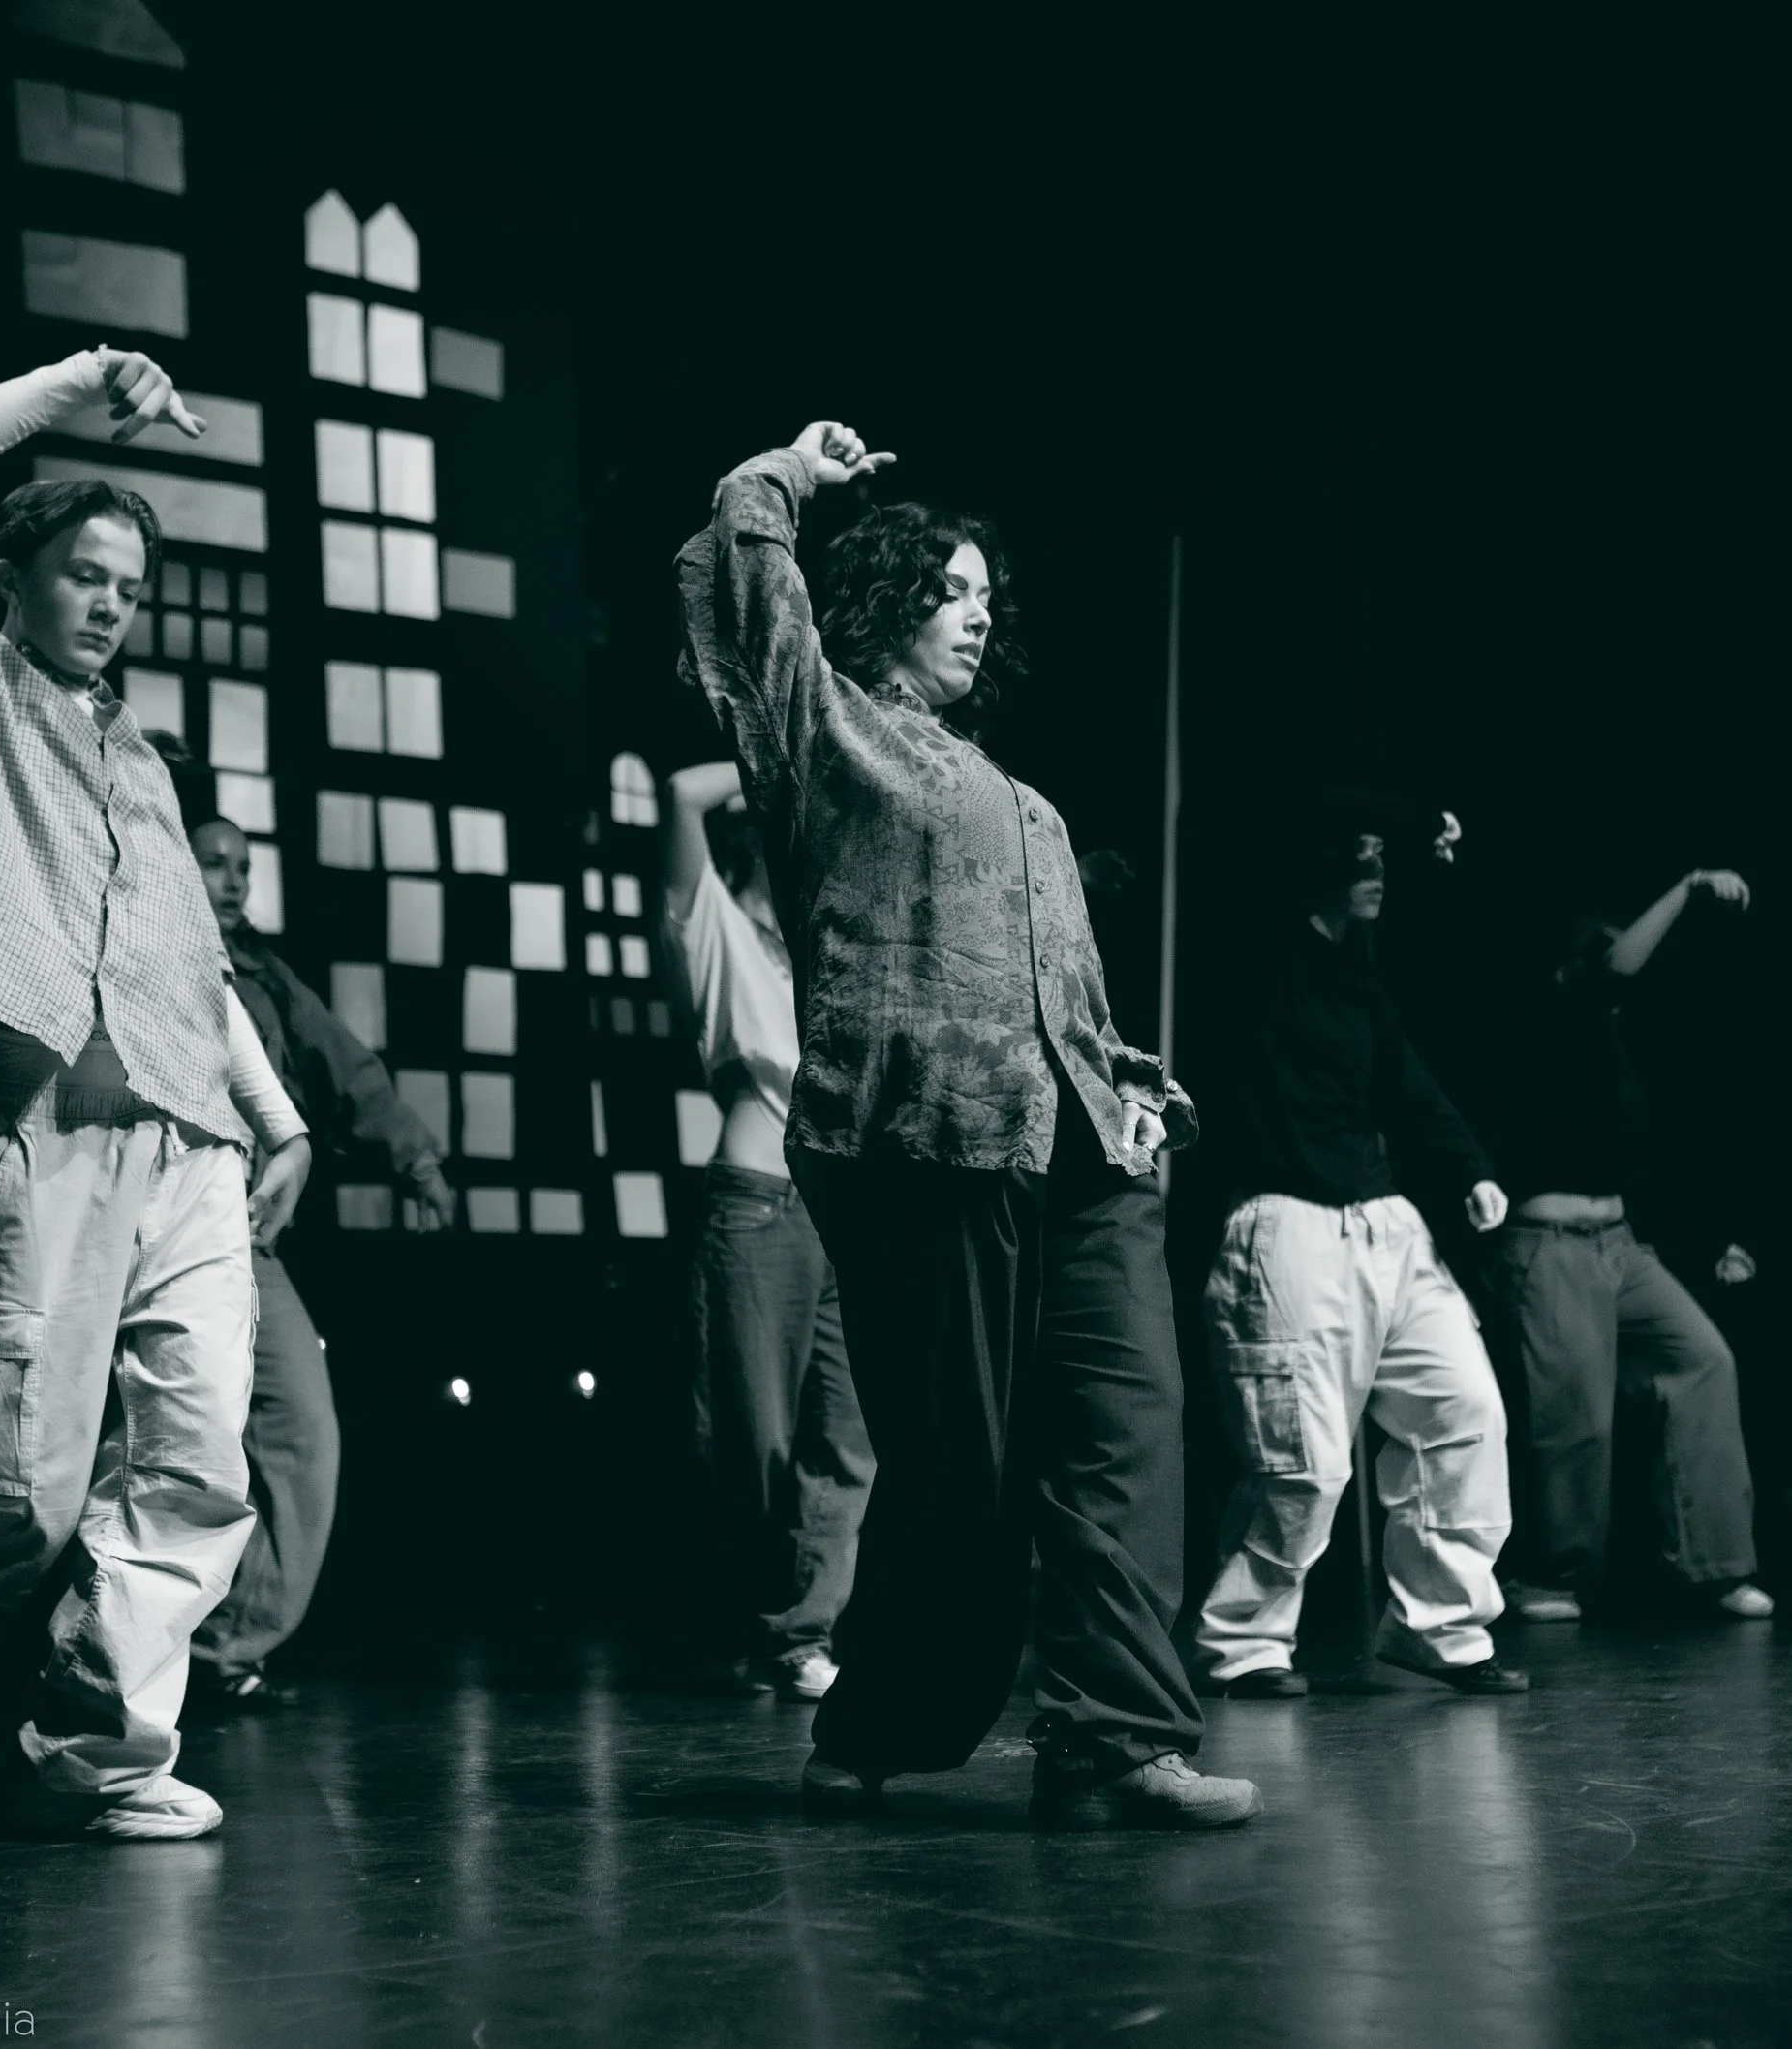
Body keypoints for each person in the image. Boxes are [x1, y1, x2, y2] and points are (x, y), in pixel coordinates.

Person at [676, 422, 1258, 1830]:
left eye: (987, 587)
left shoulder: (1025, 797)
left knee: (1128, 1433)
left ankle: (1114, 1737)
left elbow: (1060, 986)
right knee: (962, 1469)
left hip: (1089, 1158)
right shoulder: (825, 728)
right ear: (885, 604)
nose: (979, 605)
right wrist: (788, 474)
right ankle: (881, 1720)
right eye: (950, 585)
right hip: (927, 1147)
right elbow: (741, 577)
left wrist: (1130, 1077)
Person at [0, 346, 314, 1842]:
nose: (109, 601)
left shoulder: (142, 758)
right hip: (46, 1137)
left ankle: (102, 1742)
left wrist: (274, 1113)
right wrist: (87, 380)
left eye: (129, 586)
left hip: (192, 1148)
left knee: (196, 1459)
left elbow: (191, 963)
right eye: (84, 572)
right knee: (12, 1484)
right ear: (11, 577)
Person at [1195, 794, 1527, 1696]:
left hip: (1389, 1226)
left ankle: (1442, 1627)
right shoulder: (1262, 956)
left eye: (1385, 862)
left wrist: (1468, 1166)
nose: (1380, 877)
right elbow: (1271, 841)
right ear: (1324, 864)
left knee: (1464, 1412)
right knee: (1305, 1460)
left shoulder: (1360, 977)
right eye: (1364, 861)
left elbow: (1408, 1084)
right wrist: (1405, 822)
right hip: (1289, 1224)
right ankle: (1246, 1641)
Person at [184, 815, 457, 1710]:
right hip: (143, 1228)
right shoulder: (137, 945)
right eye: (213, 862)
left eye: (244, 866)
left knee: (302, 1428)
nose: (233, 881)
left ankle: (226, 1648)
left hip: (243, 1241)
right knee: (140, 1452)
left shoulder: (265, 976)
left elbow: (348, 1070)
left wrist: (416, 1159)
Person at [1483, 868, 1770, 1623]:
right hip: (1551, 1246)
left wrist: (1707, 1245)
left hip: (1621, 1245)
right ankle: (1552, 1573)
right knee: (1577, 1416)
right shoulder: (1544, 1015)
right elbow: (1612, 966)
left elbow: (1645, 1167)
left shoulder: (1611, 1047)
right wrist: (1688, 887)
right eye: (1605, 953)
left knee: (1703, 1359)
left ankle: (1715, 1564)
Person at [662, 761, 872, 1699]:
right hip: (759, 1202)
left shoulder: (828, 959)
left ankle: (801, 1630)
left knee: (847, 1440)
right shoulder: (711, 928)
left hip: (844, 1212)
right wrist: (794, 758)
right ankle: (744, 1619)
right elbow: (678, 792)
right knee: (756, 1439)